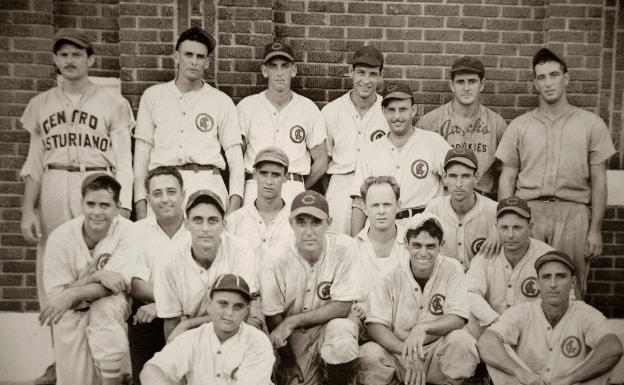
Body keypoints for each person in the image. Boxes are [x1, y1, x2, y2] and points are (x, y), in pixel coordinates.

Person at [19, 30, 135, 384]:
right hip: (55, 182)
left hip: (97, 182)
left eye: (77, 54)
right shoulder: (41, 104)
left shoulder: (112, 103)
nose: (70, 60)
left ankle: (110, 359)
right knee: (57, 273)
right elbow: (33, 163)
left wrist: (126, 206)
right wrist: (27, 209)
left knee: (105, 265)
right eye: (63, 54)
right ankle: (62, 359)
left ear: (91, 60)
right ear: (55, 60)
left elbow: (125, 162)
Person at [496, 48, 616, 297]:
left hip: (574, 216)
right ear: (535, 84)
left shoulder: (590, 124)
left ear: (566, 78)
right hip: (530, 213)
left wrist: (595, 229)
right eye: (541, 77)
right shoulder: (520, 126)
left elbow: (599, 181)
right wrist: (510, 221)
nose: (548, 83)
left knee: (571, 288)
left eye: (554, 75)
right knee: (525, 285)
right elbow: (507, 179)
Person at [39, 173, 143, 385]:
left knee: (106, 307)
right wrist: (98, 275)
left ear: (117, 207)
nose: (96, 212)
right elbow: (58, 298)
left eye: (105, 205)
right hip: (72, 313)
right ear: (81, 204)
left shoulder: (128, 231)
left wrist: (75, 290)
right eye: (90, 204)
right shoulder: (60, 237)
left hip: (115, 308)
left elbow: (115, 286)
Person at [133, 26, 244, 219]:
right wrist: (141, 206)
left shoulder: (220, 101)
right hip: (163, 184)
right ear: (177, 56)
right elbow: (141, 156)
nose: (194, 61)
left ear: (207, 62)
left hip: (207, 182)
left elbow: (236, 159)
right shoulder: (153, 97)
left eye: (200, 57)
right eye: (188, 54)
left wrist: (234, 209)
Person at [358, 213, 479, 385]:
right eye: (416, 245)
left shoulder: (452, 268)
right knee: (368, 354)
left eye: (430, 246)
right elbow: (375, 325)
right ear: (406, 244)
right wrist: (409, 353)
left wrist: (424, 328)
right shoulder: (388, 273)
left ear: (441, 246)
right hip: (399, 352)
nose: (423, 252)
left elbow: (458, 317)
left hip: (435, 352)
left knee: (462, 341)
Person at [477, 251, 623, 385]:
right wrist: (522, 374)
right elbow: (485, 342)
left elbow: (613, 347)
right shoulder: (521, 313)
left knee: (603, 356)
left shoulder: (585, 313)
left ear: (572, 283)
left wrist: (570, 379)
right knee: (497, 348)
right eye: (546, 277)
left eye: (560, 276)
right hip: (528, 384)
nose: (553, 284)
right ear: (538, 283)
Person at [260, 190, 360, 385]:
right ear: (291, 224)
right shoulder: (274, 257)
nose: (308, 231)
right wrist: (288, 362)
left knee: (341, 335)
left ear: (329, 223)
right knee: (296, 380)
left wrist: (292, 322)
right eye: (301, 222)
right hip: (293, 336)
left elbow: (342, 307)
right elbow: (273, 315)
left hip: (328, 327)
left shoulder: (344, 248)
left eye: (316, 222)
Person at [154, 189, 261, 343]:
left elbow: (240, 313)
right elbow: (172, 324)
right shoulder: (169, 260)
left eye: (213, 220)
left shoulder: (240, 249)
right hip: (190, 333)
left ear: (223, 224)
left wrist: (189, 323)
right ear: (186, 224)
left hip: (235, 325)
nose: (205, 228)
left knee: (255, 330)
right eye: (198, 220)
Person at [351, 82, 451, 236]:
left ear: (413, 110)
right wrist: (355, 242)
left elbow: (456, 182)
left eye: (403, 109)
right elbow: (359, 202)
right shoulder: (370, 150)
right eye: (391, 110)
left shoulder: (434, 142)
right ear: (383, 111)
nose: (397, 116)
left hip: (423, 228)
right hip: (381, 230)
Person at [237, 41, 328, 208]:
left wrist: (301, 187)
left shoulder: (308, 108)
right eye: (273, 66)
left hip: (292, 184)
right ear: (264, 70)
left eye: (285, 66)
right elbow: (236, 157)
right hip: (255, 185)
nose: (279, 73)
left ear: (293, 70)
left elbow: (322, 160)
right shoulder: (247, 107)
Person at [140, 274, 275, 385]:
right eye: (223, 304)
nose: (229, 313)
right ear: (209, 305)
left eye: (238, 307)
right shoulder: (193, 338)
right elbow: (151, 370)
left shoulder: (257, 342)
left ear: (247, 310)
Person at [128, 166, 190, 383]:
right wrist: (163, 306)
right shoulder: (136, 231)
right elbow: (136, 284)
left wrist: (164, 306)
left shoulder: (198, 228)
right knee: (140, 320)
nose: (165, 199)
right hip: (149, 312)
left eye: (171, 192)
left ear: (183, 194)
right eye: (157, 193)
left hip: (192, 314)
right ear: (147, 199)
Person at [418, 56, 507, 199]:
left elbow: (505, 174)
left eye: (472, 81)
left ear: (482, 84)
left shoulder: (497, 124)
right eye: (460, 82)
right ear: (452, 85)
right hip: (444, 201)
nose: (466, 88)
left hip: (483, 200)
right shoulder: (430, 123)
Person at [322, 45, 389, 235]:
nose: (366, 80)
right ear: (351, 72)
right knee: (336, 246)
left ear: (380, 76)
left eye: (372, 74)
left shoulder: (389, 112)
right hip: (340, 184)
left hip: (377, 188)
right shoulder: (331, 111)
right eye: (361, 72)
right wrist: (336, 187)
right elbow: (323, 160)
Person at [466, 196, 555, 336]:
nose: (510, 235)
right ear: (496, 228)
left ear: (530, 227)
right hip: (493, 326)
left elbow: (561, 300)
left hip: (532, 332)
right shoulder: (486, 254)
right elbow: (470, 293)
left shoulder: (548, 256)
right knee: (464, 326)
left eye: (517, 227)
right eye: (504, 228)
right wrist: (496, 321)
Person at [425, 148, 498, 270]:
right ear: (444, 177)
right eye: (453, 176)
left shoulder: (493, 210)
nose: (459, 184)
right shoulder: (434, 208)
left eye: (465, 176)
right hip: (445, 281)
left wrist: (502, 234)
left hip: (483, 282)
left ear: (476, 177)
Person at [226, 147, 293, 266]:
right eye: (263, 173)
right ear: (255, 174)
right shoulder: (235, 220)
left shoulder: (295, 221)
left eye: (276, 175)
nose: (269, 181)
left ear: (285, 177)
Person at [354, 176, 404, 319]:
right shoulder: (352, 249)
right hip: (363, 325)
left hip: (402, 323)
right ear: (364, 208)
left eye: (387, 204)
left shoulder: (413, 245)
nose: (381, 211)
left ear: (398, 205)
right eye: (375, 205)